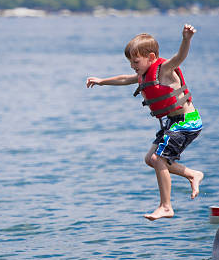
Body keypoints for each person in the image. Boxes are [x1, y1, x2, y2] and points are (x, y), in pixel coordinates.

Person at [86, 24, 203, 221]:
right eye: (130, 62)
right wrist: (101, 81)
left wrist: (186, 39)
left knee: (159, 160)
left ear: (150, 58)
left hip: (187, 122)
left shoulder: (164, 69)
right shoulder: (143, 75)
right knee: (150, 159)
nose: (133, 66)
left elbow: (180, 56)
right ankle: (192, 174)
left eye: (135, 61)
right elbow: (124, 79)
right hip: (173, 122)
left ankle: (166, 206)